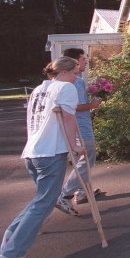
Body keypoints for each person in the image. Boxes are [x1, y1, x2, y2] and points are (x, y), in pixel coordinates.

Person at [0, 57, 86, 258]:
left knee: (40, 200)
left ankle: (10, 239)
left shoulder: (39, 89)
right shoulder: (66, 88)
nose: (77, 76)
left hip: (33, 152)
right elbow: (68, 119)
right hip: (50, 153)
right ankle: (13, 252)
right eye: (75, 72)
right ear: (64, 72)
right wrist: (75, 147)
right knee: (45, 203)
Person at [55, 48, 101, 216]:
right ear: (74, 61)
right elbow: (75, 108)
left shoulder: (75, 81)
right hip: (80, 129)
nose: (85, 61)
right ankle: (65, 194)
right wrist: (93, 105)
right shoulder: (73, 82)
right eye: (83, 59)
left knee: (80, 161)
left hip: (78, 128)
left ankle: (81, 192)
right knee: (86, 161)